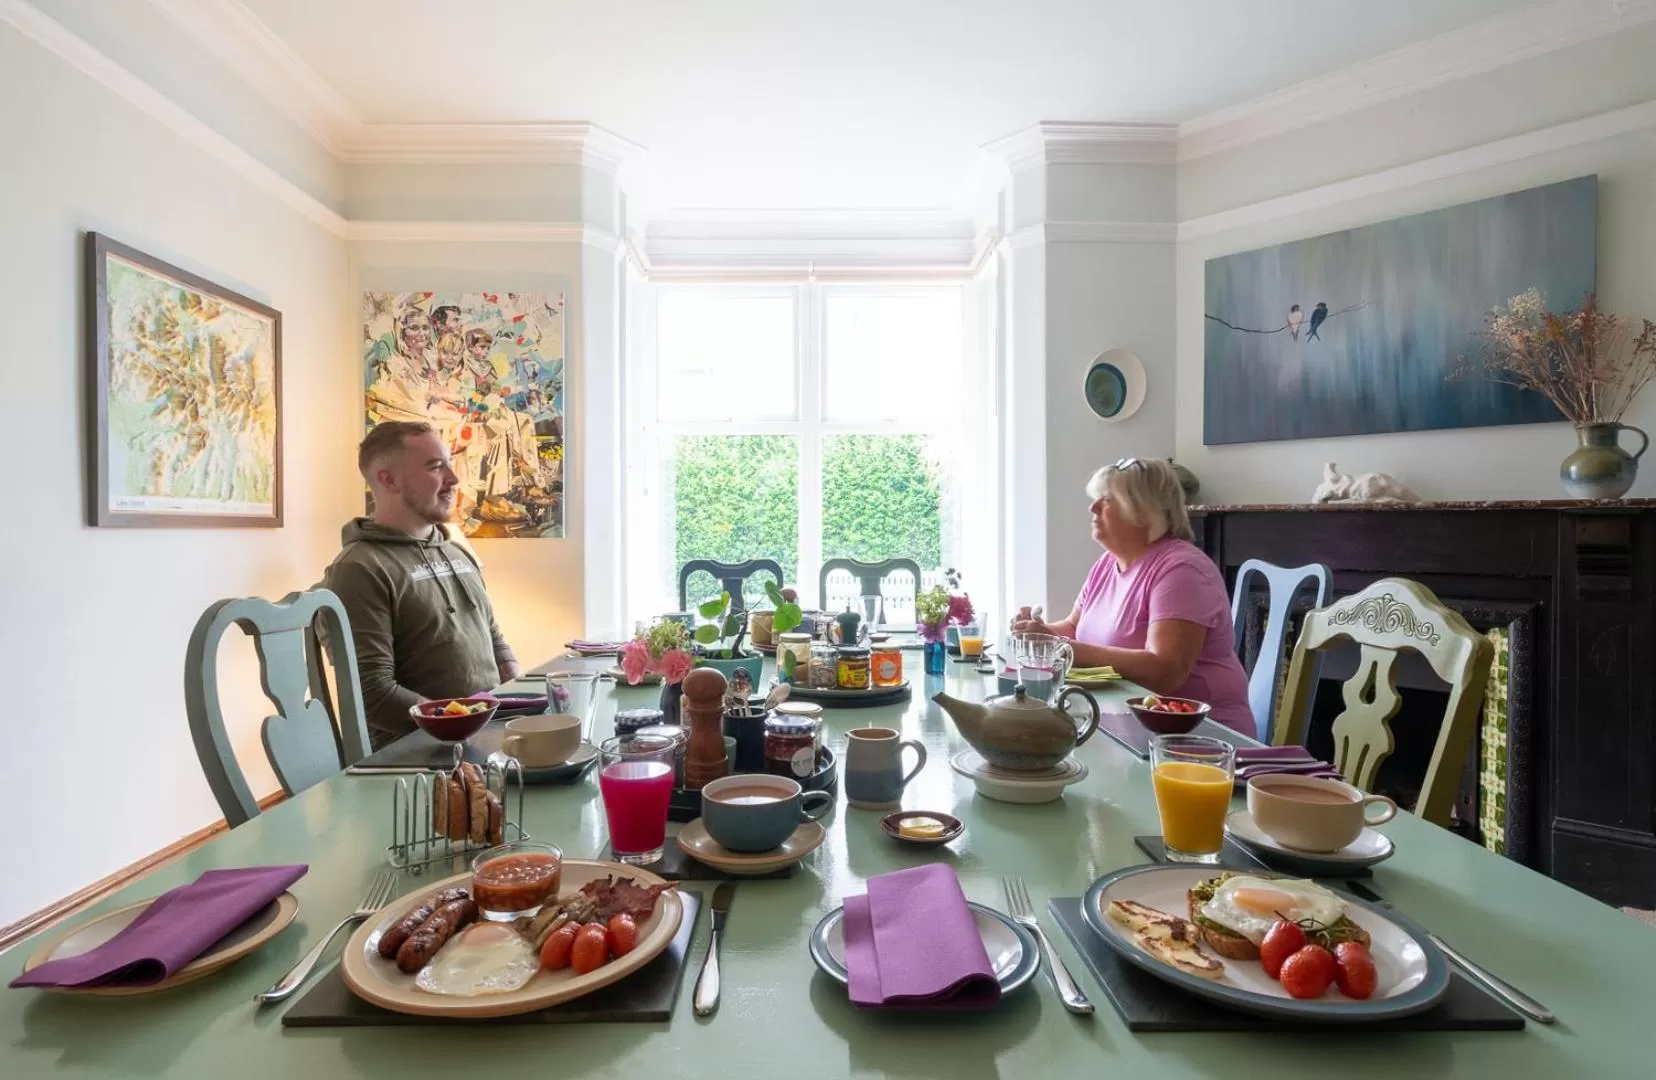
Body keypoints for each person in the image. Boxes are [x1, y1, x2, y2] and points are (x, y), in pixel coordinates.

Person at [1011, 458, 1253, 735]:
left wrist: (1065, 649)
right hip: (1129, 724)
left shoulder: (1182, 569)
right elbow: (1074, 628)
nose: (1092, 507)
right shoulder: (1107, 563)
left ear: (1142, 510)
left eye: (1106, 499)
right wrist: (1038, 633)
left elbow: (1166, 671)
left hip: (1199, 737)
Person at [323, 421, 524, 747]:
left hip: (483, 735)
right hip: (419, 757)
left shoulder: (455, 550)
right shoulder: (359, 568)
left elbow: (495, 641)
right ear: (389, 480)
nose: (453, 479)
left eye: (449, 463)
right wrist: (463, 727)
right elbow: (371, 693)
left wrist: (523, 704)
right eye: (435, 467)